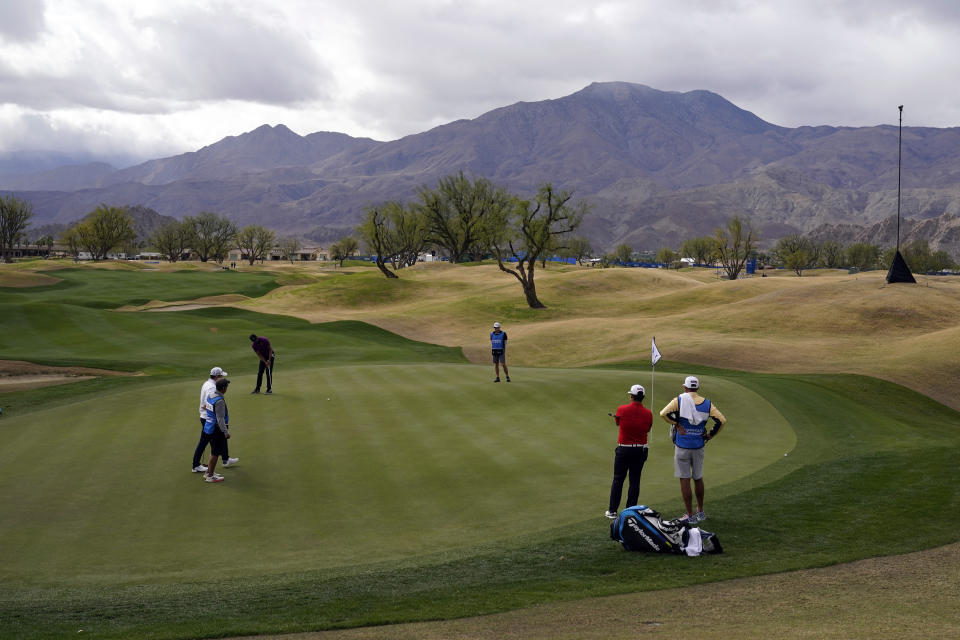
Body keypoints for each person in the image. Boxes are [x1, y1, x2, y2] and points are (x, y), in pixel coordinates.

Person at [659, 375, 726, 523]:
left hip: (682, 446)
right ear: (698, 388)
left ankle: (690, 515)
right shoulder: (707, 403)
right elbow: (721, 420)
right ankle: (700, 511)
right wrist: (710, 435)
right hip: (698, 445)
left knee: (684, 479)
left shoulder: (679, 399)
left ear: (685, 387)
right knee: (698, 477)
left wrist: (676, 423)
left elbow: (663, 413)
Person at [605, 384, 653, 519]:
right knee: (635, 480)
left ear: (631, 396)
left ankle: (612, 511)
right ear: (642, 397)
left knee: (618, 479)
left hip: (624, 449)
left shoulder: (621, 409)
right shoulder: (648, 413)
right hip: (640, 450)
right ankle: (630, 511)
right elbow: (648, 429)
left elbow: (617, 423)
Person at [192, 367, 238, 472]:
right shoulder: (212, 388)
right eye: (221, 376)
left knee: (220, 439)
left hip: (208, 419)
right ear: (217, 377)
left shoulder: (207, 383)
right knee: (206, 443)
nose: (222, 378)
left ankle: (225, 459)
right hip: (209, 419)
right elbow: (206, 405)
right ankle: (196, 465)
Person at [203, 378, 232, 483]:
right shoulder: (219, 401)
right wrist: (226, 432)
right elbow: (220, 419)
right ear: (223, 388)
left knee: (213, 451)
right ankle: (210, 476)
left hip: (210, 427)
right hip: (217, 429)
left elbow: (207, 407)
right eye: (227, 386)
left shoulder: (211, 395)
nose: (227, 388)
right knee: (215, 453)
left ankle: (208, 472)